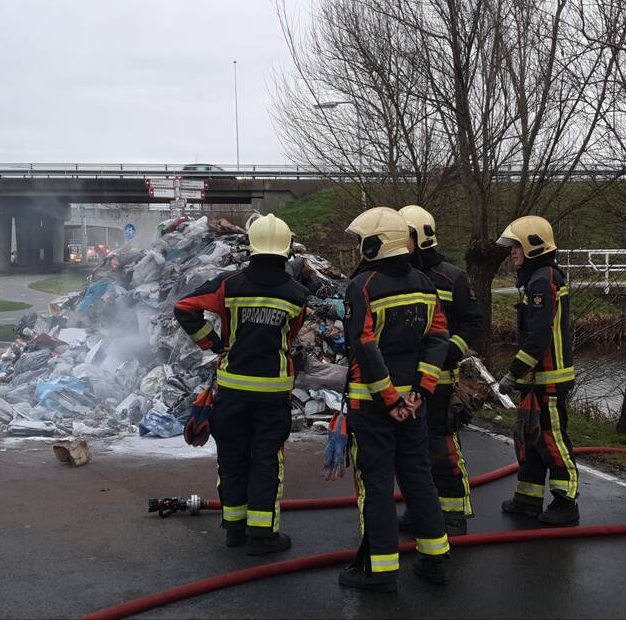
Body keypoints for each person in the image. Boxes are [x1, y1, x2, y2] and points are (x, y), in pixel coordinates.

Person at [174, 214, 307, 555]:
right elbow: (290, 339)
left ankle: (234, 529)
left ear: (252, 245)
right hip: (273, 393)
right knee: (266, 461)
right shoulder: (297, 294)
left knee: (232, 458)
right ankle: (262, 536)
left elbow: (184, 307)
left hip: (232, 391)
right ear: (287, 248)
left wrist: (214, 344)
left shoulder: (229, 284)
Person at [334, 207, 452, 592]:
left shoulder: (363, 286)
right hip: (414, 404)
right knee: (419, 477)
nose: (358, 247)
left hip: (373, 405)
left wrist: (389, 400)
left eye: (361, 240)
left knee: (377, 485)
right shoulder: (425, 283)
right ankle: (435, 560)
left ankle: (380, 570)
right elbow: (438, 338)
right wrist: (420, 391)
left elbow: (365, 347)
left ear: (375, 244)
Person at [398, 205, 485, 536]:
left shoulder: (452, 277)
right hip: (408, 380)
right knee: (410, 451)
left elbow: (473, 321)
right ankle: (420, 509)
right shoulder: (398, 276)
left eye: (403, 236)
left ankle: (453, 513)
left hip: (441, 380)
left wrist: (451, 350)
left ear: (419, 238)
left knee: (441, 447)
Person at [496, 215, 579, 525]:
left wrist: (513, 372)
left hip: (548, 378)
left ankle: (566, 502)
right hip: (537, 378)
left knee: (551, 438)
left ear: (533, 246)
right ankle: (528, 498)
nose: (512, 252)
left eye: (516, 246)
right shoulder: (539, 277)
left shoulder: (543, 280)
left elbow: (538, 336)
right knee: (529, 438)